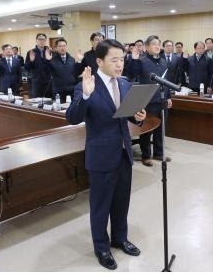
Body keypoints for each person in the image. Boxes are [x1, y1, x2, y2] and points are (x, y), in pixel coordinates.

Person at [66, 39, 146, 270]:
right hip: (101, 155)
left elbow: (126, 115)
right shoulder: (86, 85)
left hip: (123, 153)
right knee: (101, 205)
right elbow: (72, 117)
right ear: (99, 61)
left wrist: (136, 117)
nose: (120, 64)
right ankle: (101, 246)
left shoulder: (124, 84)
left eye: (122, 59)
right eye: (114, 60)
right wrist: (87, 96)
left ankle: (120, 238)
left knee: (122, 202)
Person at [130, 35, 172, 167]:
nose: (157, 46)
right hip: (147, 101)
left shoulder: (164, 61)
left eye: (159, 44)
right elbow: (131, 74)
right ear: (147, 47)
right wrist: (134, 60)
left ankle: (159, 153)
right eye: (154, 44)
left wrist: (169, 96)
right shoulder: (141, 61)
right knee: (147, 130)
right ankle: (146, 155)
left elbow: (166, 81)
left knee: (161, 129)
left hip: (162, 100)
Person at [25, 33, 52, 98]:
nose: (41, 41)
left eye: (43, 40)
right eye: (39, 39)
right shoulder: (31, 52)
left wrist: (49, 60)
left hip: (48, 81)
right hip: (36, 81)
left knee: (49, 100)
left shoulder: (50, 51)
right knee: (36, 101)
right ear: (36, 40)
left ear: (45, 41)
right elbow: (27, 68)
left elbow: (53, 67)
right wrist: (31, 61)